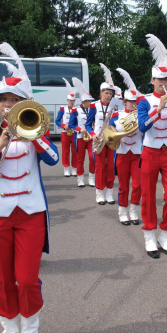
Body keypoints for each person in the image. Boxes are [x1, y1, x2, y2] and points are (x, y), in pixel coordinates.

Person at [0, 42, 59, 333]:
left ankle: (30, 327)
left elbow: (54, 159)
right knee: (3, 279)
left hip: (31, 213)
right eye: (3, 100)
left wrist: (33, 134)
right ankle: (9, 326)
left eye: (14, 100)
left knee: (28, 278)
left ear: (24, 104)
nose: (7, 105)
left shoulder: (37, 133)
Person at [137, 34, 167, 259]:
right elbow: (142, 126)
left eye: (166, 80)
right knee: (149, 195)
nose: (163, 84)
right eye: (159, 81)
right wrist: (159, 107)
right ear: (152, 81)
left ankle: (165, 233)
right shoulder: (144, 101)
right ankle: (149, 234)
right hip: (150, 150)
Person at [110, 68, 143, 225]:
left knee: (138, 185)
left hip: (137, 153)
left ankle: (133, 211)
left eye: (136, 102)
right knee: (123, 185)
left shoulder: (141, 115)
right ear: (124, 102)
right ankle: (122, 211)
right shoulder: (116, 116)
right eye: (131, 102)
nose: (133, 105)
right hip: (122, 152)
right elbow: (109, 131)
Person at [86, 64, 117, 204]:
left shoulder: (114, 106)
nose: (109, 95)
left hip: (110, 139)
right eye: (106, 93)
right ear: (101, 93)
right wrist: (92, 134)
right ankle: (99, 193)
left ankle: (109, 192)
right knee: (100, 167)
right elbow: (87, 124)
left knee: (110, 166)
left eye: (110, 93)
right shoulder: (94, 106)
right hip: (98, 139)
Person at [68, 78, 95, 187]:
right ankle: (80, 179)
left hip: (90, 137)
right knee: (80, 159)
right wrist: (80, 129)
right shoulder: (76, 110)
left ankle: (92, 178)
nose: (91, 102)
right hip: (80, 137)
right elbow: (71, 125)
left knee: (92, 157)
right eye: (89, 101)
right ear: (84, 102)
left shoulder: (93, 109)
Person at [55, 79, 78, 177]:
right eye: (70, 100)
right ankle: (66, 168)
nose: (72, 102)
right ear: (67, 101)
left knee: (75, 151)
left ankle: (74, 168)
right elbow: (57, 121)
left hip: (74, 133)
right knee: (65, 151)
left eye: (73, 100)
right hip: (65, 132)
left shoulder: (77, 109)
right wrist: (64, 126)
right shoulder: (62, 109)